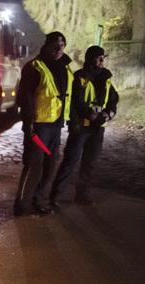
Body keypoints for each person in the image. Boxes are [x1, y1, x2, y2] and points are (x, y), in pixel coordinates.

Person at [49, 45, 119, 207]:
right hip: (81, 127)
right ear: (90, 59)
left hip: (98, 128)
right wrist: (83, 117)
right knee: (70, 161)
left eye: (104, 57)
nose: (102, 60)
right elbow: (74, 101)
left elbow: (113, 99)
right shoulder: (79, 77)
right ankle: (55, 195)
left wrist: (109, 114)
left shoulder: (106, 78)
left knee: (90, 163)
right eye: (99, 57)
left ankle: (82, 195)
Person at [14, 31, 73, 216]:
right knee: (34, 165)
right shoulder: (34, 67)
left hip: (55, 124)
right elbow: (26, 97)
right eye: (55, 45)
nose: (59, 49)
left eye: (62, 45)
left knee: (49, 164)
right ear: (46, 45)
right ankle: (22, 205)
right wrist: (29, 122)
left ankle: (39, 200)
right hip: (38, 125)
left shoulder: (65, 67)